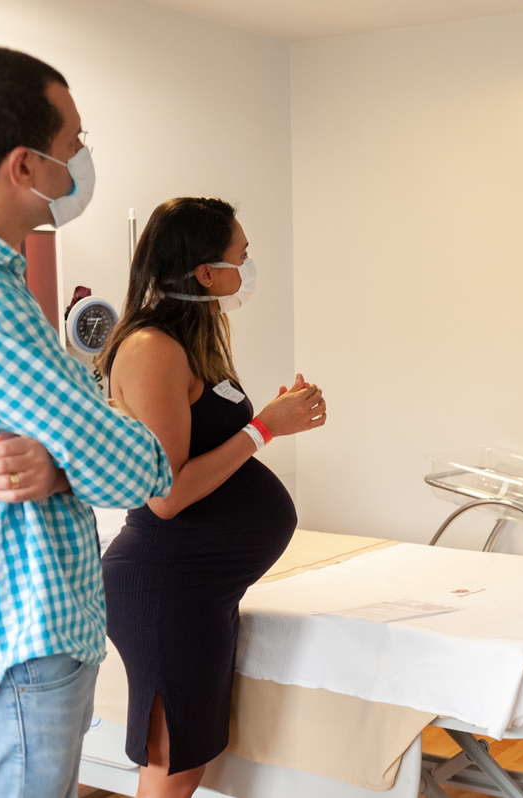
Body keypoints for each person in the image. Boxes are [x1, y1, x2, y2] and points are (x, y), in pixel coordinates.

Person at [0, 46, 173, 797]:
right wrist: (82, 452)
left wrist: (61, 458)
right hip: (14, 638)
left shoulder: (1, 280)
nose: (83, 156)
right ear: (24, 166)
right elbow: (139, 465)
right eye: (74, 141)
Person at [96, 197, 326, 798]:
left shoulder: (194, 339)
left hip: (202, 589)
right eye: (240, 255)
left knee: (189, 758)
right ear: (204, 272)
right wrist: (266, 427)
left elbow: (210, 442)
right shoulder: (151, 349)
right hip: (167, 584)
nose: (247, 267)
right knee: (172, 764)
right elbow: (166, 495)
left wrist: (272, 418)